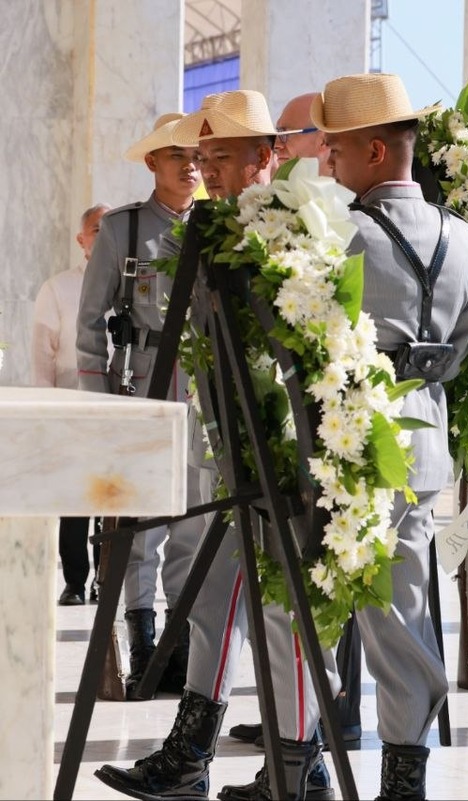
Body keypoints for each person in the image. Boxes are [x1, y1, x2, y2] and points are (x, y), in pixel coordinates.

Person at [94, 90, 342, 801]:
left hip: (279, 449)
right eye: (202, 159)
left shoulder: (300, 227)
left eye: (223, 158)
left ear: (267, 157)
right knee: (210, 600)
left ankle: (300, 765)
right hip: (220, 439)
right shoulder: (205, 229)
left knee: (283, 605)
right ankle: (193, 751)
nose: (208, 173)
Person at [317, 72, 468, 800]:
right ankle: (404, 771)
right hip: (425, 441)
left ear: (378, 151)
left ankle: (302, 761)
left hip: (347, 442)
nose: (328, 163)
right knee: (404, 607)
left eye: (338, 149)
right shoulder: (465, 235)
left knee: (316, 606)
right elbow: (467, 340)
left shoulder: (342, 231)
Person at [224, 90, 365, 752]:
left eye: (293, 134)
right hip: (292, 416)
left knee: (330, 582)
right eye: (277, 137)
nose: (283, 147)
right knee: (298, 584)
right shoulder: (286, 203)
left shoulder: (337, 209)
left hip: (332, 420)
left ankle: (326, 721)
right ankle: (304, 721)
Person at [76, 113, 208, 697]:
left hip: (202, 392)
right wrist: (103, 407)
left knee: (191, 525)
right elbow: (89, 324)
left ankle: (177, 652)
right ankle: (143, 644)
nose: (190, 165)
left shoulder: (216, 226)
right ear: (152, 163)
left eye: (196, 155)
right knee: (139, 529)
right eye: (176, 155)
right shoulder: (124, 231)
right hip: (142, 385)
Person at [36, 202, 109, 606]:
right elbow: (42, 353)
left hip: (118, 406)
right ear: (82, 241)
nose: (105, 234)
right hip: (72, 405)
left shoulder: (130, 282)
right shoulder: (58, 287)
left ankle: (107, 578)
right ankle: (76, 581)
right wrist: (47, 409)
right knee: (75, 499)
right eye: (98, 229)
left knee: (114, 498)